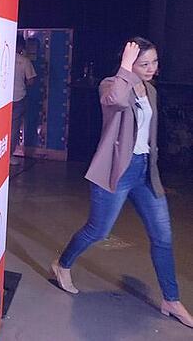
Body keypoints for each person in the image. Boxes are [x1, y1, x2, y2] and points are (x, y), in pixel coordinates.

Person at [51, 37, 193, 329]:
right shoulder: (111, 84)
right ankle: (62, 264)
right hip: (117, 170)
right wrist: (125, 68)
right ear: (128, 63)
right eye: (144, 63)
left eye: (154, 62)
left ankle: (171, 299)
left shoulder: (151, 90)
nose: (151, 68)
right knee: (98, 230)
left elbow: (149, 134)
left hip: (144, 172)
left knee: (163, 237)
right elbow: (114, 101)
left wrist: (153, 167)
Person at [10, 34, 36, 165]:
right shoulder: (25, 61)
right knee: (14, 128)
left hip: (3, 101)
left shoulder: (3, 57)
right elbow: (31, 81)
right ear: (21, 46)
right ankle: (9, 156)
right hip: (19, 97)